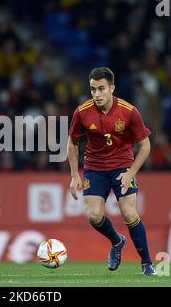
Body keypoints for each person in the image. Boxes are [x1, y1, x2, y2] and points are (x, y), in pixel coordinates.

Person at [67, 67, 157, 276]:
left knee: (128, 213)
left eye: (101, 89)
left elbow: (145, 146)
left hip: (122, 165)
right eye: (93, 89)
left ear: (111, 88)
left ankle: (147, 264)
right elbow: (72, 143)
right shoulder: (82, 112)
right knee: (94, 216)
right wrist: (74, 175)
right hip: (95, 167)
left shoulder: (129, 111)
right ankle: (117, 241)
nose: (96, 94)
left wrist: (131, 173)